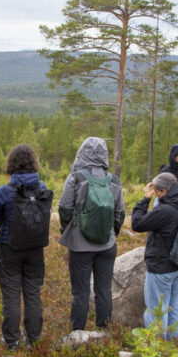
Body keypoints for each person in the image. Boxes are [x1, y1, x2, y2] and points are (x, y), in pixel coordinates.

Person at [58, 137, 125, 331]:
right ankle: (103, 329)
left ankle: (77, 330)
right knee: (104, 289)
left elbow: (64, 207)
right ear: (104, 155)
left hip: (80, 245)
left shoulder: (76, 178)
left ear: (82, 152)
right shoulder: (113, 180)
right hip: (107, 244)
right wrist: (112, 232)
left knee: (80, 290)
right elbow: (120, 212)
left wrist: (68, 229)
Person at [0, 144, 51, 349]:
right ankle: (33, 338)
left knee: (11, 294)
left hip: (10, 247)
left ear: (11, 164)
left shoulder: (3, 192)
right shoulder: (42, 188)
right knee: (33, 292)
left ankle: (11, 340)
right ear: (33, 163)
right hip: (36, 248)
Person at [131, 172, 178, 340]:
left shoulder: (166, 210)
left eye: (158, 193)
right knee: (174, 306)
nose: (156, 196)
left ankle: (157, 347)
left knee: (156, 309)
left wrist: (145, 200)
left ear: (165, 191)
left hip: (162, 266)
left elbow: (137, 224)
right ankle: (173, 341)